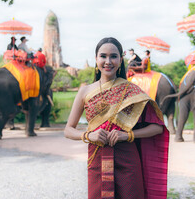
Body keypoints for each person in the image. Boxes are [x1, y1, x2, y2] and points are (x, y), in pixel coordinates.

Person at [64, 37, 169, 198]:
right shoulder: (85, 92)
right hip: (96, 159)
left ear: (121, 60)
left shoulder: (132, 91)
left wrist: (127, 135)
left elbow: (157, 127)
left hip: (127, 159)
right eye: (103, 56)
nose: (108, 61)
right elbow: (68, 130)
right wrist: (88, 135)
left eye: (113, 56)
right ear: (96, 59)